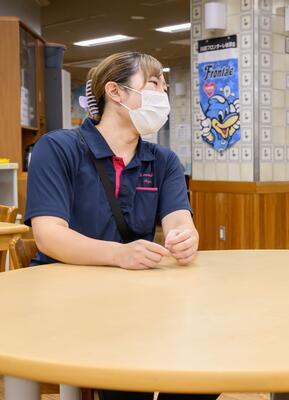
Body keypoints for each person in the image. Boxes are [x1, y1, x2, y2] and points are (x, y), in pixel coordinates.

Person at [25, 51, 215, 400]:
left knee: (209, 367)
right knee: (129, 381)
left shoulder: (162, 160)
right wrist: (119, 254)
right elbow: (49, 235)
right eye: (155, 84)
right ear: (115, 91)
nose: (164, 96)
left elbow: (178, 219)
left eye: (166, 87)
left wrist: (186, 238)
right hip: (68, 300)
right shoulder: (58, 148)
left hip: (136, 301)